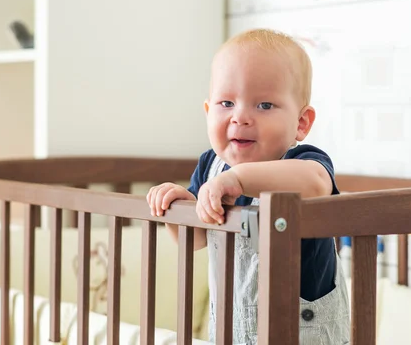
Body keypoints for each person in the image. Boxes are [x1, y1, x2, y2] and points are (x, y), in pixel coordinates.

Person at [147, 28, 350, 344]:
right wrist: (177, 207)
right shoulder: (211, 166)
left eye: (265, 105)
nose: (240, 117)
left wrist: (239, 179)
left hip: (301, 334)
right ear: (208, 111)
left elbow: (316, 182)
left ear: (301, 123)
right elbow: (196, 238)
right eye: (226, 102)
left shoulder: (300, 161)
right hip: (231, 329)